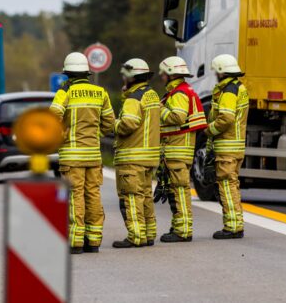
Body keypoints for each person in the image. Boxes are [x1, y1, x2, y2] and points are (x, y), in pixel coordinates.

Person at [49, 52, 115, 254]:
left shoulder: (64, 93)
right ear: (86, 72)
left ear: (67, 73)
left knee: (74, 195)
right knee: (93, 194)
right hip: (93, 155)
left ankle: (75, 242)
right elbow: (110, 123)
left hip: (72, 155)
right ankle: (93, 241)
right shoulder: (100, 93)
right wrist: (95, 133)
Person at [157, 56, 207, 243]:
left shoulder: (179, 94)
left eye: (163, 73)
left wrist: (159, 109)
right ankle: (179, 226)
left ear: (170, 74)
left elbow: (177, 117)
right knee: (177, 190)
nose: (161, 76)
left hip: (177, 149)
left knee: (179, 190)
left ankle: (182, 230)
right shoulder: (182, 91)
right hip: (178, 149)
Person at [112, 58, 160, 248]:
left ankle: (135, 236)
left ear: (131, 77)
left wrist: (113, 124)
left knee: (131, 196)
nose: (123, 79)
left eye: (125, 76)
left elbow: (128, 124)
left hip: (132, 156)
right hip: (149, 157)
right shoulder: (152, 95)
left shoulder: (134, 98)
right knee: (145, 196)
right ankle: (149, 234)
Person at [206, 54, 249, 239]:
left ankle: (232, 227)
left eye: (216, 72)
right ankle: (235, 224)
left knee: (227, 186)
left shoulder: (229, 91)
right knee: (232, 185)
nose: (215, 75)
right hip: (235, 146)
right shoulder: (239, 87)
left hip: (227, 147)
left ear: (222, 72)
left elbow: (227, 117)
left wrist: (209, 130)